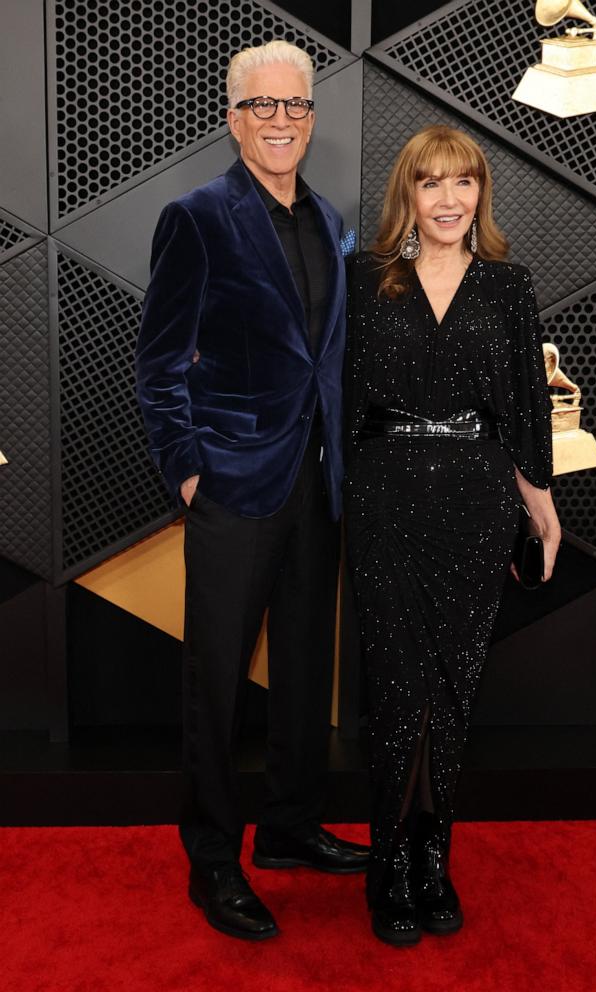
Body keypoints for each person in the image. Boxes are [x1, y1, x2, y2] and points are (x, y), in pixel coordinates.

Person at [135, 39, 368, 942]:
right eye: (261, 106)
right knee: (217, 679)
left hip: (317, 482)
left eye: (295, 107)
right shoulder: (195, 218)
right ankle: (213, 859)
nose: (280, 121)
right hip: (233, 480)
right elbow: (158, 365)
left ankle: (290, 827)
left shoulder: (326, 218)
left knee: (308, 666)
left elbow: (332, 357)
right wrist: (189, 468)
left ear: (312, 118)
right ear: (234, 118)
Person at [343, 125, 561, 946]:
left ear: (479, 195)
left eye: (461, 183)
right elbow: (336, 394)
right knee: (398, 687)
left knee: (450, 688)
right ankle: (389, 862)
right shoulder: (366, 279)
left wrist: (538, 506)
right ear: (409, 193)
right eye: (429, 183)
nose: (446, 199)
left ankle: (433, 856)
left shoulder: (508, 285)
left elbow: (526, 408)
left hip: (474, 500)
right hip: (383, 497)